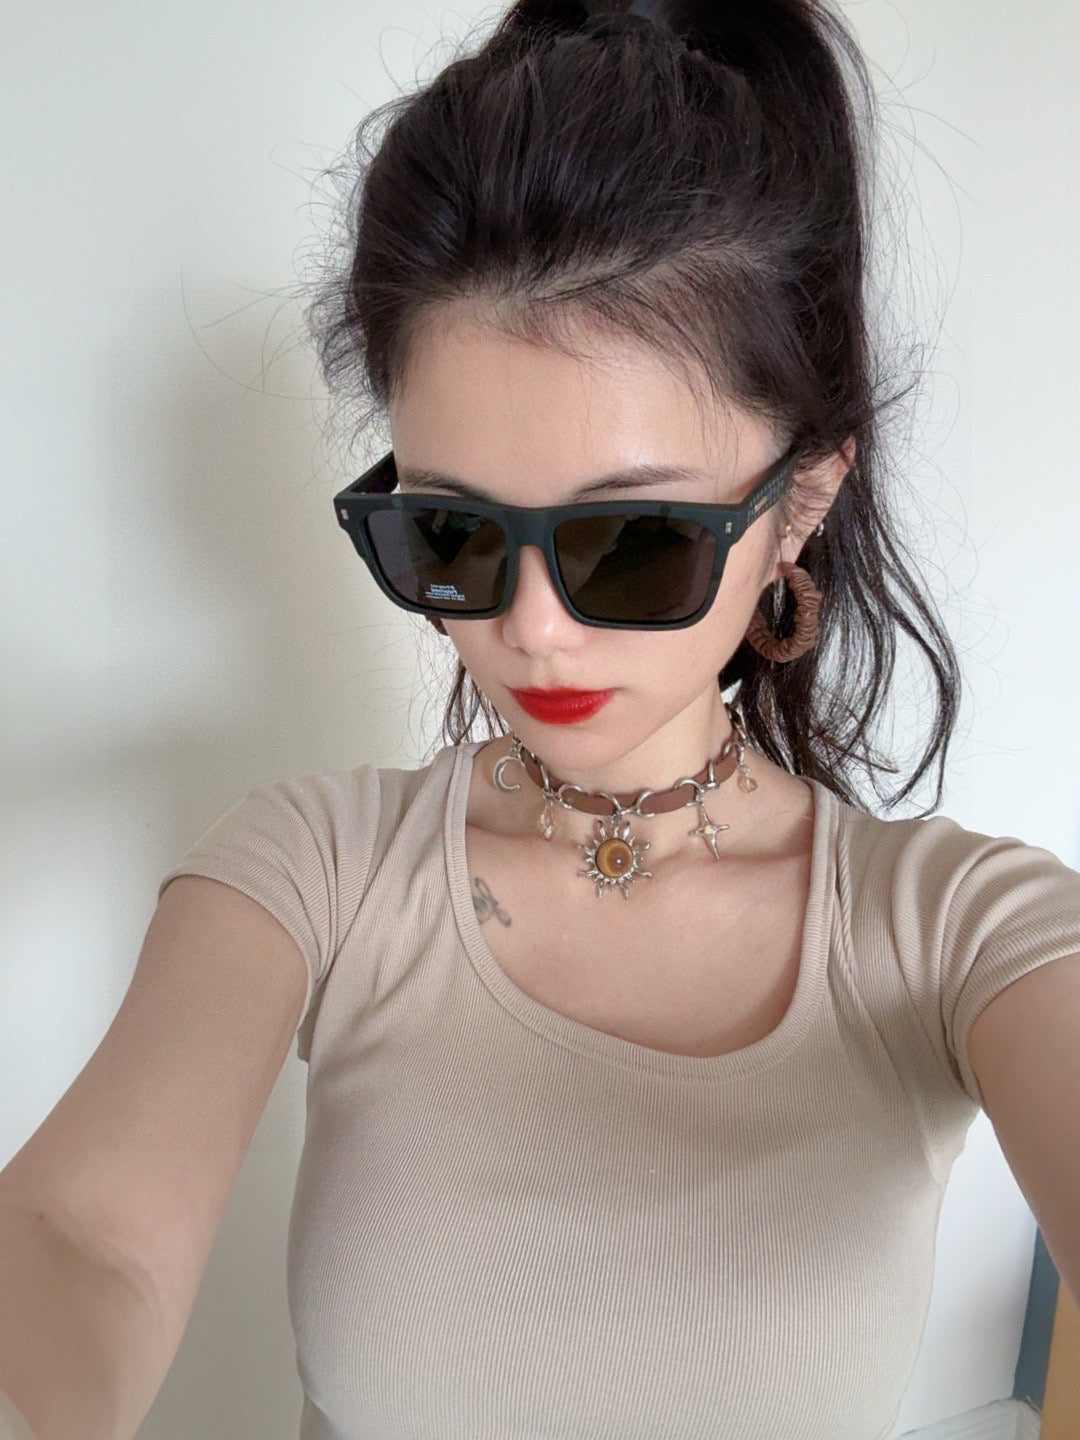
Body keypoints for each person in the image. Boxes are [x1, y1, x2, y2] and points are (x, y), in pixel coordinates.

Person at [2, 2, 1079, 1439]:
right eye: (451, 531)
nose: (529, 628)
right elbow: (87, 1241)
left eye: (630, 541)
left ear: (801, 506)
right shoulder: (318, 868)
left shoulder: (955, 930)